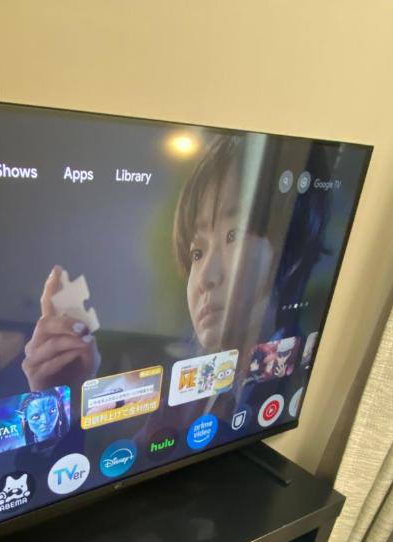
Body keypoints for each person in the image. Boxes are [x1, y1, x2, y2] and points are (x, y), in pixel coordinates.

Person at [22, 134, 325, 434]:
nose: (205, 278)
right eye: (197, 253)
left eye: (233, 235)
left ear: (290, 247)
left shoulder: (298, 374)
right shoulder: (185, 393)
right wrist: (63, 402)